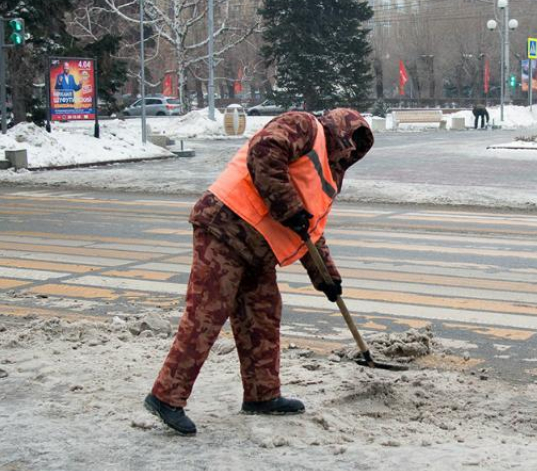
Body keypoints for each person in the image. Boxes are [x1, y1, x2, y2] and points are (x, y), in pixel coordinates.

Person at [145, 109, 374, 435]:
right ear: (339, 128)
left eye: (357, 149)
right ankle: (166, 396)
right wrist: (289, 208)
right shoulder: (303, 126)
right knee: (207, 314)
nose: (351, 151)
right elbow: (263, 154)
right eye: (350, 141)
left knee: (263, 316)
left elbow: (309, 231)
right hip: (224, 227)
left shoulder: (332, 172)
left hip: (258, 250)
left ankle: (262, 396)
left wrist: (327, 278)